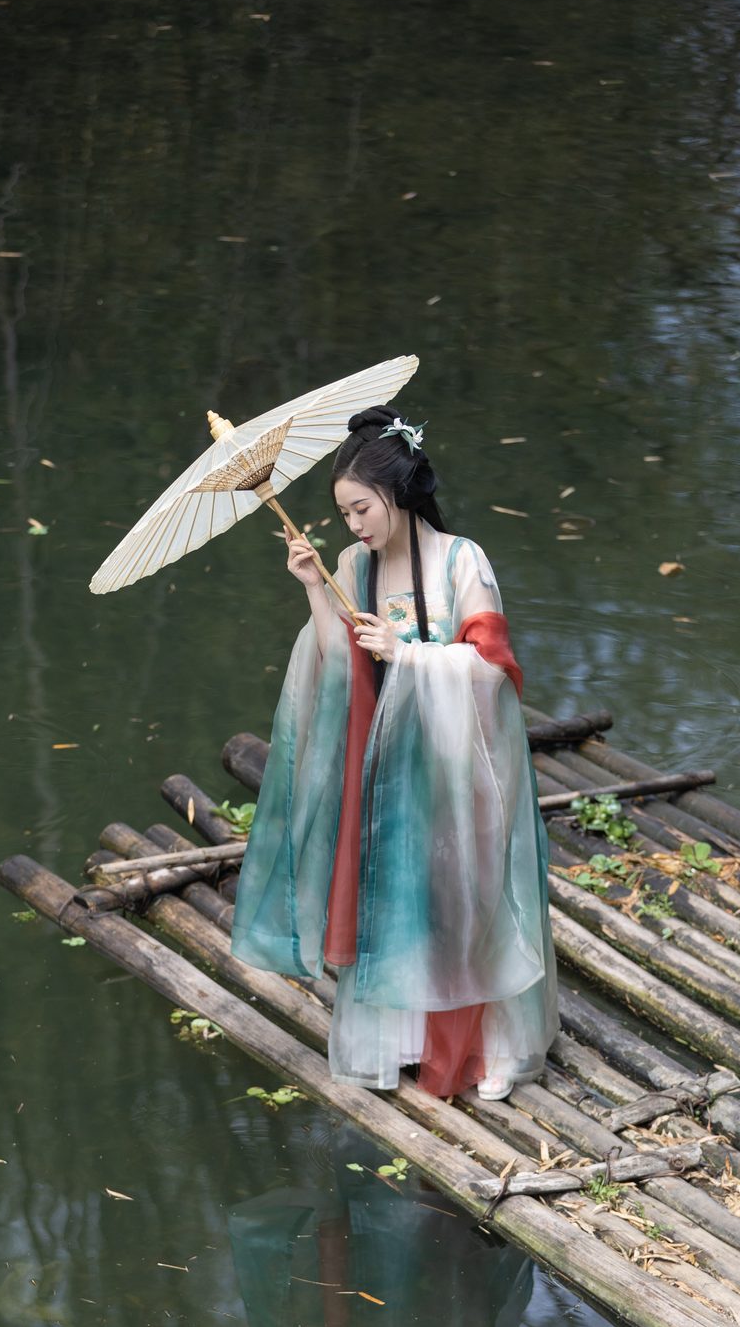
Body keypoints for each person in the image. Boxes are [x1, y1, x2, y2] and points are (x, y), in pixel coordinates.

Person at [231, 404, 557, 1100]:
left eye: (362, 509)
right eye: (344, 514)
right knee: (392, 894)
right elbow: (338, 661)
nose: (354, 526)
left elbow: (493, 669)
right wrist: (316, 588)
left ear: (399, 492)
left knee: (465, 895)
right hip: (384, 759)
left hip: (456, 757)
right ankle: (401, 1042)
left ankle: (492, 1047)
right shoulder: (355, 565)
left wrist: (407, 655)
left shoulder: (462, 560)